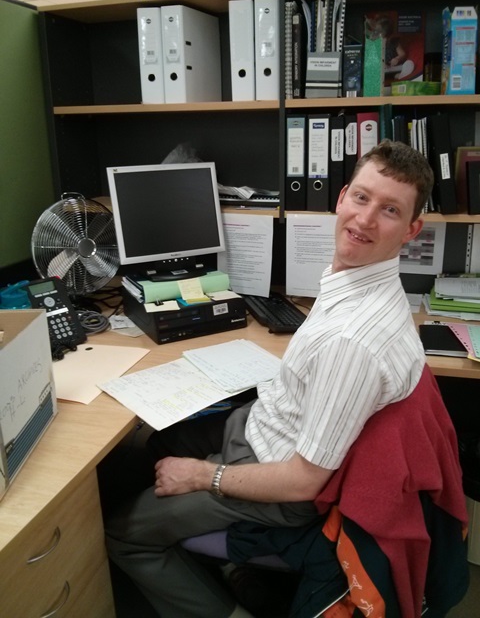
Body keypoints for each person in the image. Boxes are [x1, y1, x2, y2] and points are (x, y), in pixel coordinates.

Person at [105, 139, 433, 618]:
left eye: (389, 210)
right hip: (262, 427)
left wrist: (203, 475)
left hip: (277, 480)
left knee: (121, 532)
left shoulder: (354, 343)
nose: (364, 219)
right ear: (341, 197)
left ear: (411, 230)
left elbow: (302, 482)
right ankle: (219, 562)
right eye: (361, 198)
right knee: (152, 443)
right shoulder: (356, 281)